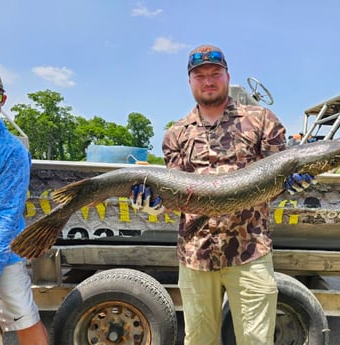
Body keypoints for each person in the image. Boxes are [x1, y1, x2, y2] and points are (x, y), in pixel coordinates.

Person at [132, 44, 314, 345]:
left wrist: (292, 184)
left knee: (257, 341)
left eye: (215, 73)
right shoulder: (175, 134)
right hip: (196, 256)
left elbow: (278, 182)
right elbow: (173, 199)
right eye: (200, 75)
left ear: (227, 76)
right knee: (199, 341)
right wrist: (152, 205)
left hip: (250, 252)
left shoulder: (262, 120)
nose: (208, 81)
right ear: (190, 81)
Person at [0, 72, 49, 345]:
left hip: (3, 257)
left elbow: (7, 213)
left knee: (25, 321)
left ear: (2, 101)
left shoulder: (11, 151)